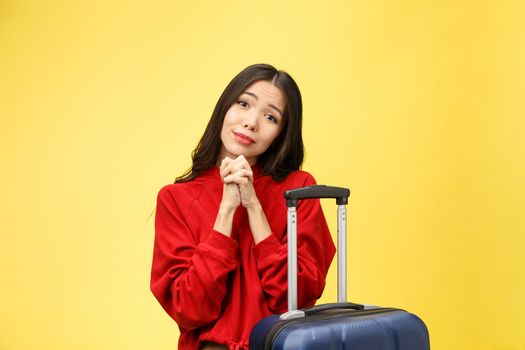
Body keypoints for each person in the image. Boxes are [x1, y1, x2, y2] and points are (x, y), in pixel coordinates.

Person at [150, 63, 336, 350]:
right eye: (244, 103)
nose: (251, 122)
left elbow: (296, 301)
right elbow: (190, 310)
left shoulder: (299, 189)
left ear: (281, 133)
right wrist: (226, 209)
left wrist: (253, 205)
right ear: (225, 107)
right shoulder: (175, 198)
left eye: (270, 117)